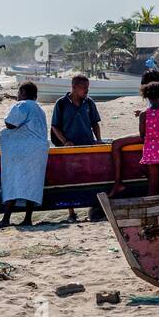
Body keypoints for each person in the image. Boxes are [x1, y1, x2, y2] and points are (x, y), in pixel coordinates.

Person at [108, 68, 159, 196]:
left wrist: (144, 115)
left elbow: (145, 133)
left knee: (116, 144)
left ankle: (118, 183)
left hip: (154, 139)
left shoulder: (156, 99)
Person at [0, 81, 48, 228]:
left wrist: (5, 120)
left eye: (19, 93)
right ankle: (27, 218)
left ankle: (6, 218)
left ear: (23, 93)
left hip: (23, 152)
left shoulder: (22, 105)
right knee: (32, 184)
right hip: (39, 152)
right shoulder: (40, 109)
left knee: (14, 181)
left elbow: (11, 124)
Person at [49, 75, 102, 221]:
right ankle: (71, 213)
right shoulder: (61, 103)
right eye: (84, 87)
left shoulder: (89, 102)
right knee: (70, 180)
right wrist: (65, 141)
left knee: (90, 177)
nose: (87, 90)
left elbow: (95, 123)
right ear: (74, 87)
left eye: (87, 87)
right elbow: (55, 126)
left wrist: (98, 140)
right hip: (69, 150)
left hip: (88, 146)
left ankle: (92, 210)